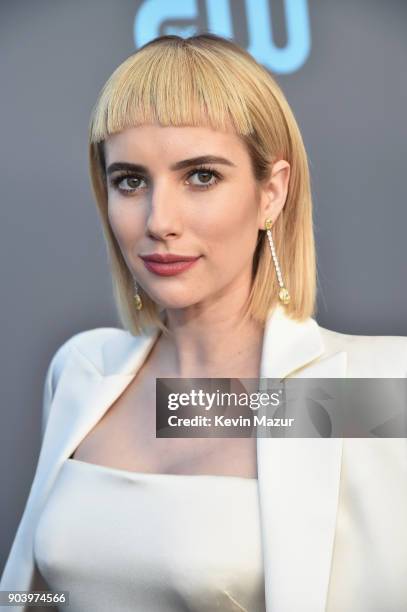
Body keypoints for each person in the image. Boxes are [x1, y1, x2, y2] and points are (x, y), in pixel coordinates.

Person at [1, 33, 407, 612]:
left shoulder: (357, 394)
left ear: (271, 192)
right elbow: (43, 592)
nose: (159, 220)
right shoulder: (83, 371)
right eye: (130, 181)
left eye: (201, 176)